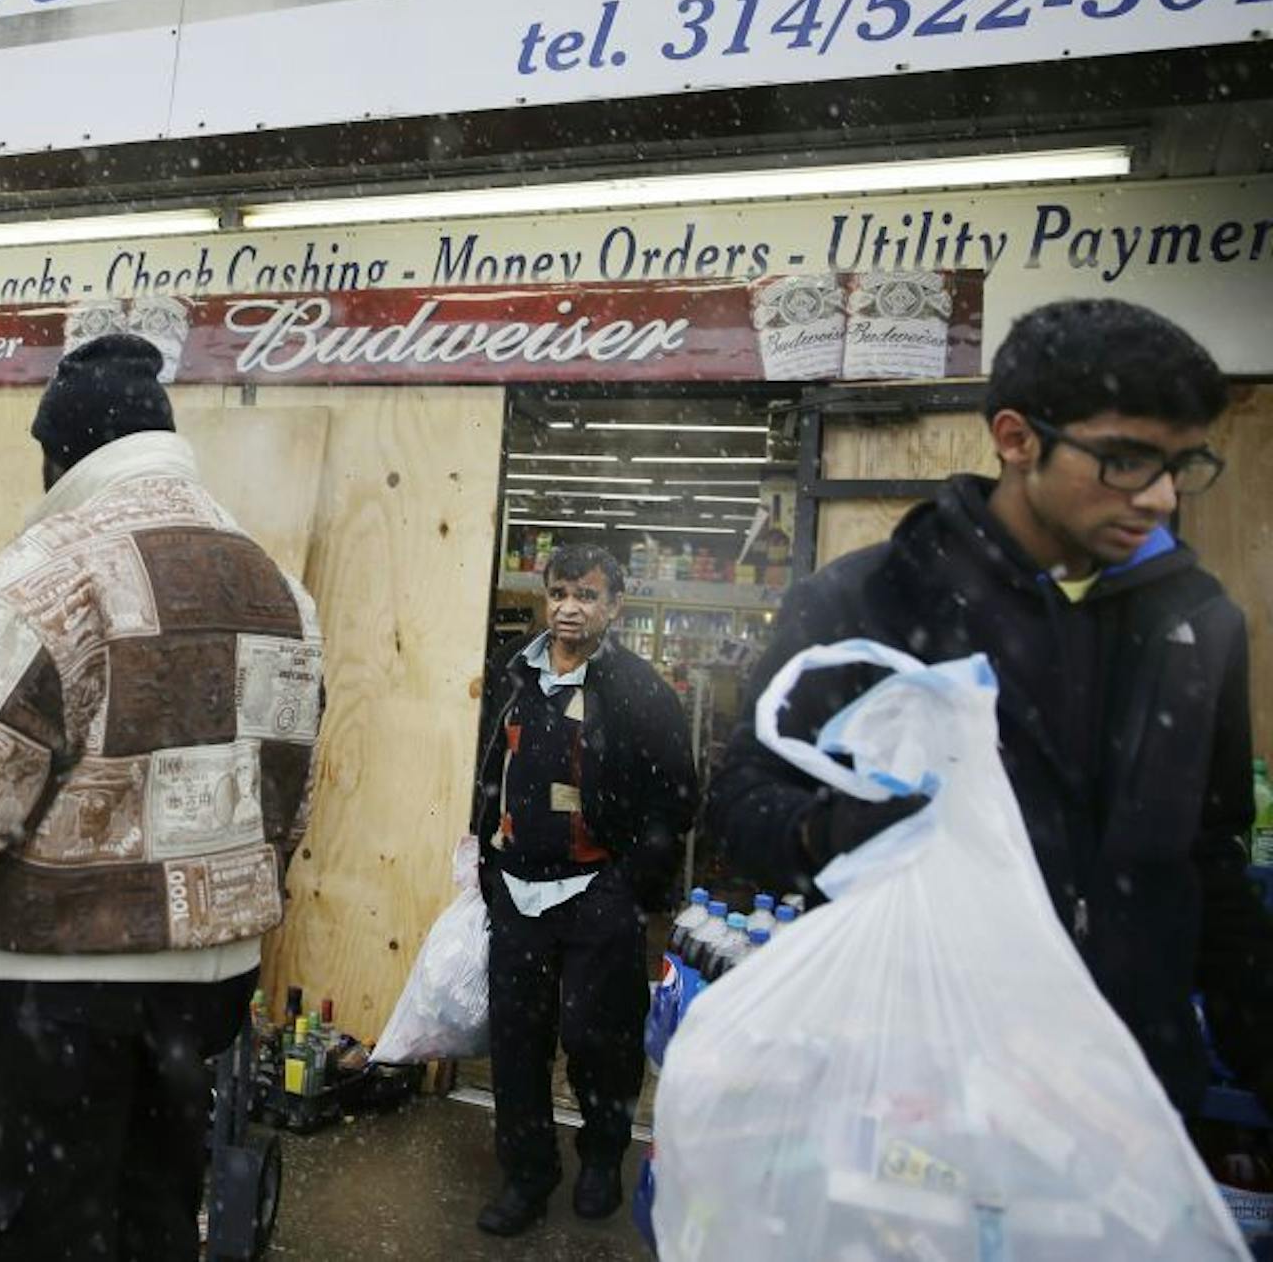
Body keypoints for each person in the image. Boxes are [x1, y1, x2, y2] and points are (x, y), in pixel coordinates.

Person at [0, 333, 324, 1260]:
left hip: (51, 1005)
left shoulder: (45, 580)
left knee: (22, 1231)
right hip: (198, 1004)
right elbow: (285, 800)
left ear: (60, 453)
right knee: (151, 1224)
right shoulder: (276, 586)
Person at [707, 298, 1273, 1120]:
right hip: (911, 1098)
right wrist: (824, 834)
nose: (1157, 498)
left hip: (1122, 1103)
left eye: (1180, 466)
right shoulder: (871, 604)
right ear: (1016, 439)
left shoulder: (1199, 624)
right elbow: (738, 800)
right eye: (1125, 461)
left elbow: (1210, 861)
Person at [472, 543, 695, 1234]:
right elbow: (488, 767)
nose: (571, 607)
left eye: (589, 596)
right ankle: (527, 1174)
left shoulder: (638, 689)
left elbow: (677, 799)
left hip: (599, 890)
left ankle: (601, 1159)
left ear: (615, 607)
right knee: (517, 1040)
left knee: (601, 1040)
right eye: (561, 591)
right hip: (517, 891)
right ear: (546, 595)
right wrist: (484, 854)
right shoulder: (513, 673)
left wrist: (631, 885)